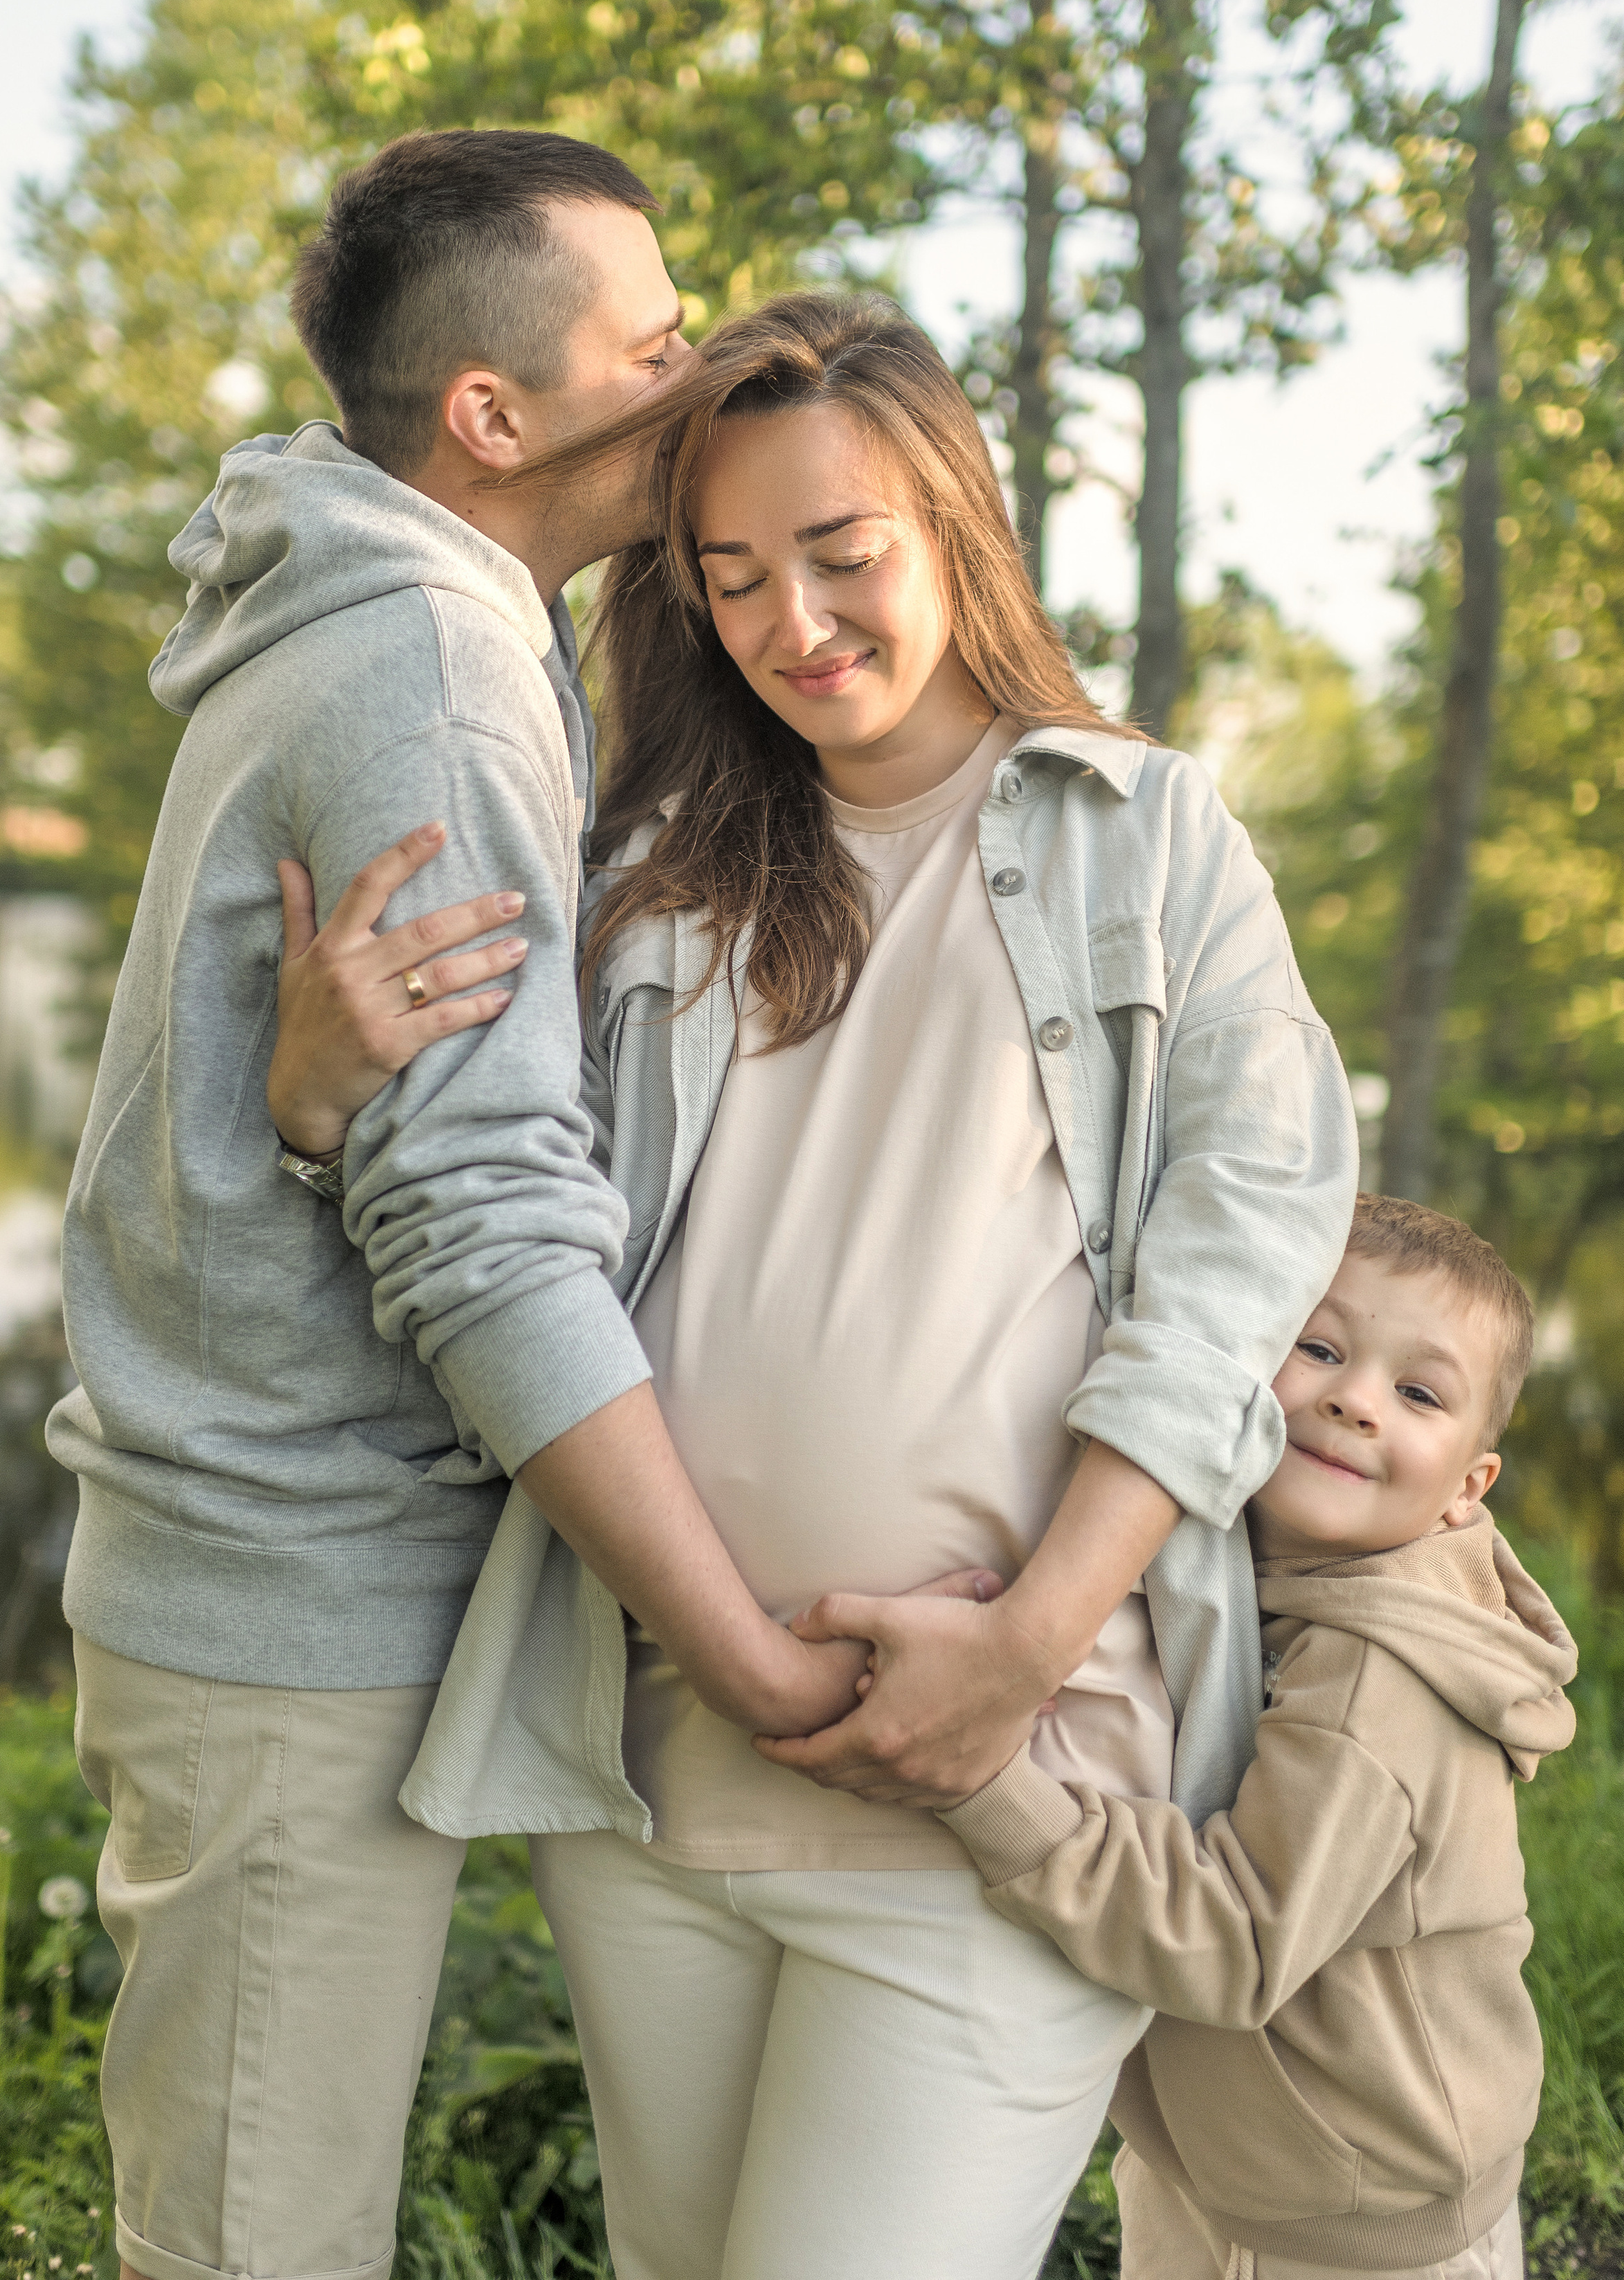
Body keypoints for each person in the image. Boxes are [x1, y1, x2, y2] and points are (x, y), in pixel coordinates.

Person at [267, 287, 1362, 2279]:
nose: (799, 624)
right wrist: (323, 1104)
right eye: (736, 574)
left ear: (955, 520)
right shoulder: (654, 870)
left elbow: (1242, 1265)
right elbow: (487, 1224)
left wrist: (1030, 1638)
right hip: (662, 1784)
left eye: (845, 555)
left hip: (1019, 1793)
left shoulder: (1150, 838)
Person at [49, 132, 884, 2280]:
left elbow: (423, 1127)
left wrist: (319, 1124)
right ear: (494, 415)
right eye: (655, 335)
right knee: (255, 2241)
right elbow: (489, 1217)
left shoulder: (395, 618)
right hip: (288, 1576)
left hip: (294, 1566)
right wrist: (742, 1649)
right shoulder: (427, 667)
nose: (697, 366)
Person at [936, 1195, 1576, 2280]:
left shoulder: (1380, 1682)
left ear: (1469, 1488)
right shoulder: (1258, 1576)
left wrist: (981, 1777)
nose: (1354, 1398)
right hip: (1231, 2157)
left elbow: (1234, 1938)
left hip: (1361, 2219)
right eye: (1319, 1346)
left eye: (1418, 1392)